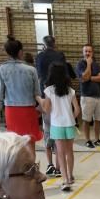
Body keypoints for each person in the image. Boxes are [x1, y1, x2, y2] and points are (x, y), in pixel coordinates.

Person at [0, 36, 44, 155]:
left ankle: (18, 169)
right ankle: (31, 167)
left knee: (14, 142)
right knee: (30, 141)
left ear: (7, 52)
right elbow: (37, 92)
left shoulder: (2, 69)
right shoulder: (31, 70)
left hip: (11, 110)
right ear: (21, 52)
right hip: (28, 110)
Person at [40, 62, 80, 191]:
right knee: (69, 152)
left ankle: (65, 179)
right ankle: (71, 175)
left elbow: (46, 109)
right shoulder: (70, 90)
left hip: (57, 125)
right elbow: (77, 109)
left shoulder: (49, 90)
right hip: (69, 125)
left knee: (60, 153)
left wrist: (39, 100)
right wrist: (71, 118)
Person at [35, 36, 67, 174]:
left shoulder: (40, 56)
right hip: (60, 95)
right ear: (55, 43)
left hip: (45, 94)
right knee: (59, 135)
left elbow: (38, 74)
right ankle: (59, 167)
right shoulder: (59, 55)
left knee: (47, 130)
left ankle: (50, 165)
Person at [77, 44, 100, 148]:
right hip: (87, 96)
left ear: (92, 53)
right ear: (83, 52)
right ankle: (87, 140)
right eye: (86, 51)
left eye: (89, 51)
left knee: (98, 119)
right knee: (86, 120)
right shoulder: (80, 64)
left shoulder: (96, 65)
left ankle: (97, 139)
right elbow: (84, 77)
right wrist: (88, 65)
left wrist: (89, 77)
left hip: (98, 96)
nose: (88, 53)